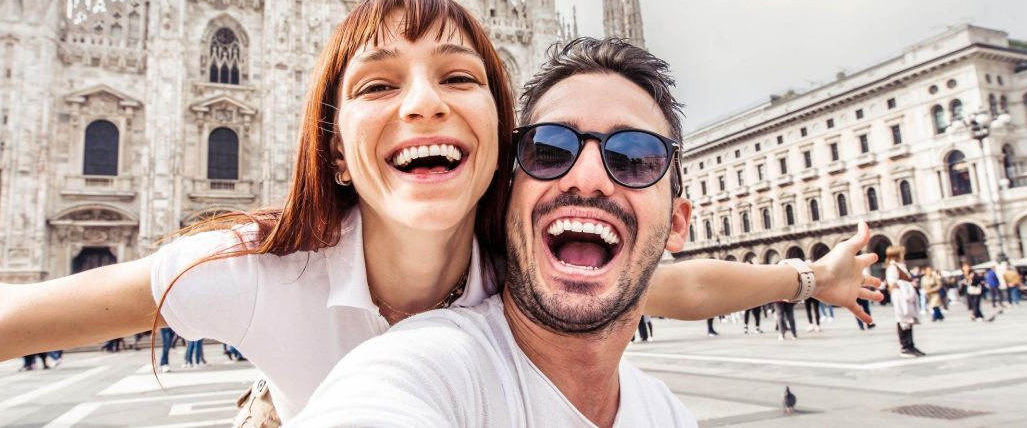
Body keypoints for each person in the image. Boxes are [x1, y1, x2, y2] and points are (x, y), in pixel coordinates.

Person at [0, 0, 882, 421]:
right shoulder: (252, 264)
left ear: (505, 145)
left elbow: (671, 277)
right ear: (332, 146)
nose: (421, 99)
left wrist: (811, 277)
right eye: (376, 86)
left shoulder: (512, 250)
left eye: (459, 77)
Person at [296, 37, 884, 426]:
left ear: (678, 223)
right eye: (549, 149)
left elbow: (682, 288)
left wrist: (809, 279)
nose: (587, 176)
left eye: (633, 156)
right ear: (503, 196)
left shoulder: (666, 415)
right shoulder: (426, 375)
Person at [885, 247, 923, 357]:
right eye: (902, 252)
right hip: (900, 297)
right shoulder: (893, 267)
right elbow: (892, 283)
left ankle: (911, 345)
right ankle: (905, 347)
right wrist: (908, 284)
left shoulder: (901, 266)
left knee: (909, 320)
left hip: (906, 296)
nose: (904, 254)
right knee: (902, 319)